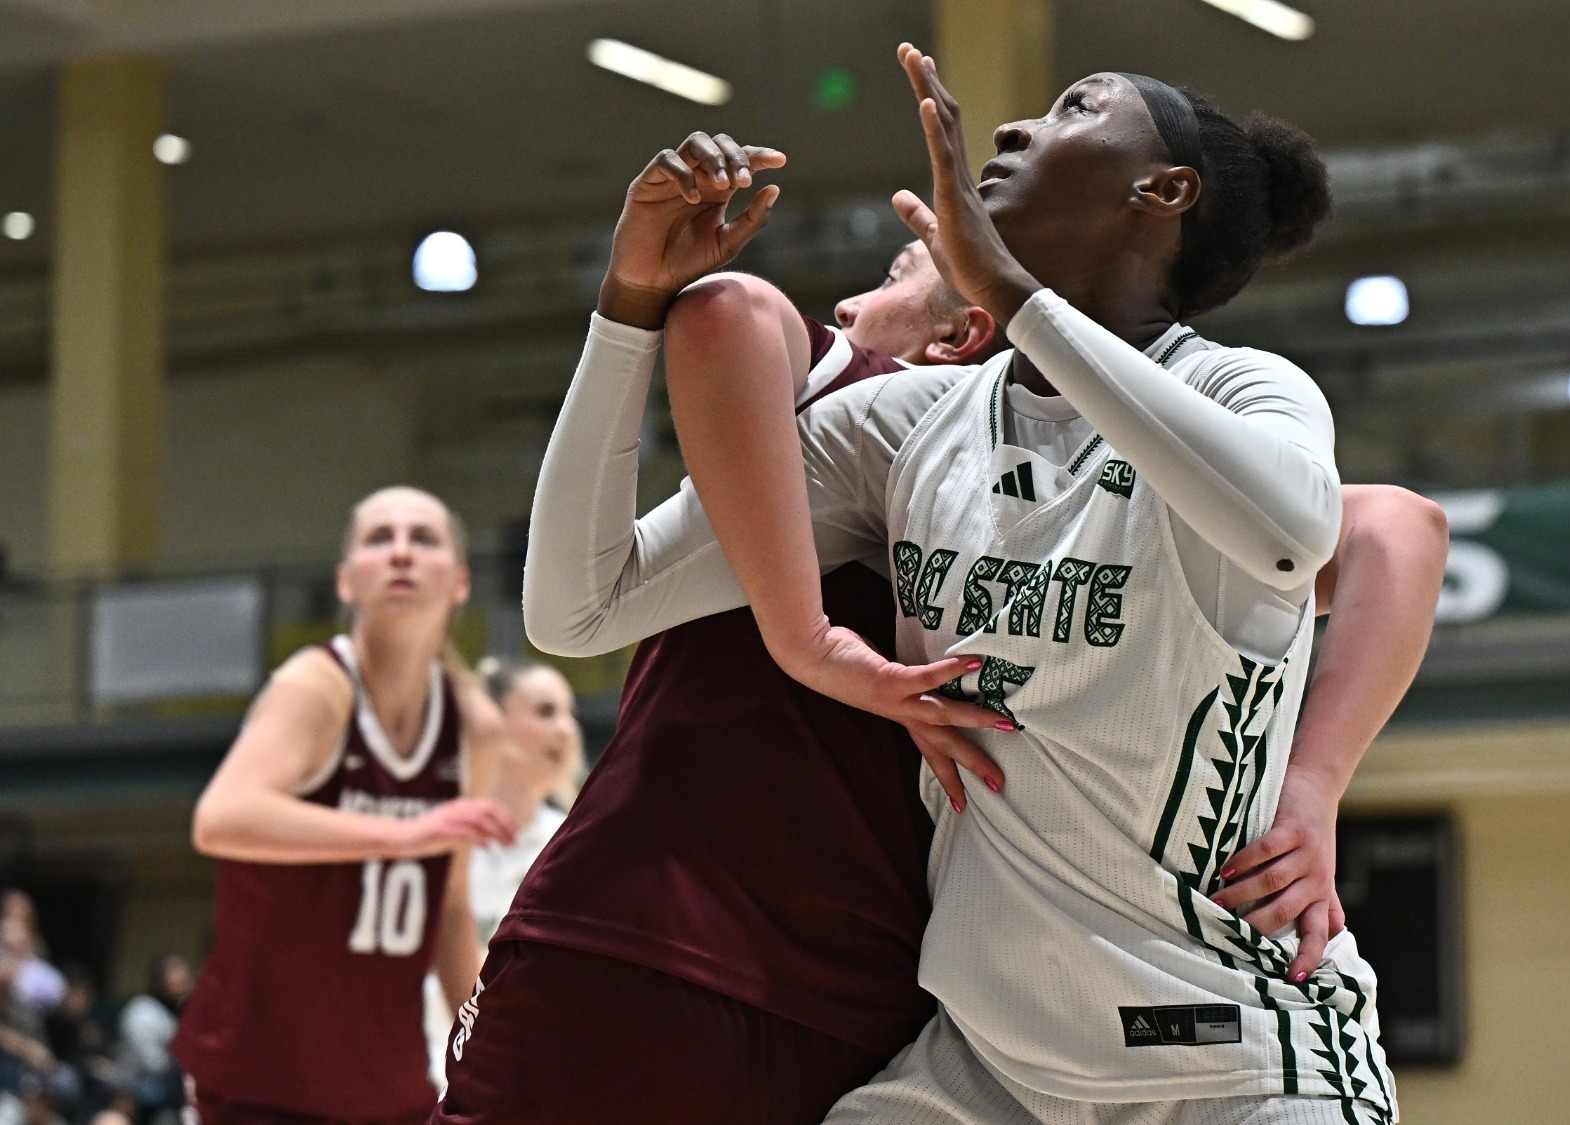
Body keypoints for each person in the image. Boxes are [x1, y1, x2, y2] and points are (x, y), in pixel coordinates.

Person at [439, 88, 1448, 1125]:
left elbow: (1300, 529)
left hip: (1225, 1045)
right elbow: (580, 607)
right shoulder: (910, 420)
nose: (1015, 130)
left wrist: (1314, 784)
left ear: (1162, 190)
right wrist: (624, 308)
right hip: (986, 1064)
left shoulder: (1245, 391)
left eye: (1075, 107)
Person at [173, 486, 518, 1125]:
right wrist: (404, 834)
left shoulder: (476, 726)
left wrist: (497, 1053)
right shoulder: (316, 686)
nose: (402, 554)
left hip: (384, 1083)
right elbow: (220, 817)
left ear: (461, 581)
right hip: (260, 1079)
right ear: (346, 581)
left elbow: (447, 913)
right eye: (379, 539)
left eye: (424, 538)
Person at [422, 658, 582, 1083]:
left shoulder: (573, 844)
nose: (566, 729)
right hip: (422, 1071)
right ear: (492, 722)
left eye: (571, 714)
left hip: (525, 1073)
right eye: (545, 712)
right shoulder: (432, 830)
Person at [117, 956, 189, 1121]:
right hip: (135, 1083)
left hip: (165, 1085)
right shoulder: (142, 1010)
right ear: (161, 980)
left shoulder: (179, 1012)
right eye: (177, 977)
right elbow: (153, 1063)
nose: (184, 982)